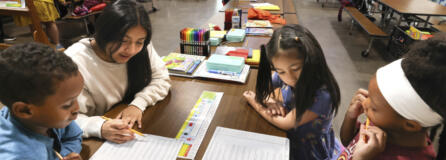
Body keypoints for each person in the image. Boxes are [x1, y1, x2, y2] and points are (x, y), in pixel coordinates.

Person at [65, 0, 171, 144]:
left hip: (128, 126)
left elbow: (161, 78)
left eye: (139, 42)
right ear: (104, 33)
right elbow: (63, 118)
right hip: (92, 142)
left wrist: (138, 104)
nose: (132, 50)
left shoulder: (143, 48)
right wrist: (99, 127)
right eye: (123, 40)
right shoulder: (74, 62)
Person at [338, 33, 446, 160]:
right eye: (369, 96)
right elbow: (348, 143)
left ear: (410, 125)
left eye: (374, 107)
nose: (365, 103)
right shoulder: (383, 123)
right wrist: (350, 117)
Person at [243, 24, 342, 160]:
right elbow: (264, 89)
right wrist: (269, 101)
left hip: (310, 151)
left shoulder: (322, 96)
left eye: (296, 69)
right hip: (291, 139)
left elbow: (285, 123)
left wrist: (255, 102)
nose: (289, 78)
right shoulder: (284, 73)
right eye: (280, 71)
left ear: (312, 60)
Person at [0, 42, 83, 160]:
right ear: (25, 110)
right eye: (67, 104)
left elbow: (74, 136)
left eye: (76, 99)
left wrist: (62, 156)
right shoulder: (18, 154)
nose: (77, 109)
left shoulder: (48, 119)